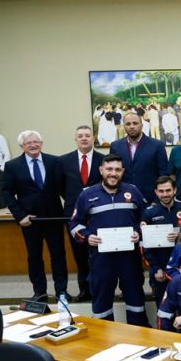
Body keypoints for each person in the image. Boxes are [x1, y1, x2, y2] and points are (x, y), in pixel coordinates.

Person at [68, 154, 149, 326]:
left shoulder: (133, 191)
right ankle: (104, 339)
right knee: (102, 301)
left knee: (135, 299)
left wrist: (138, 233)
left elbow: (145, 219)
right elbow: (74, 223)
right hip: (101, 258)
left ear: (122, 172)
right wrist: (87, 237)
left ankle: (140, 338)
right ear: (101, 170)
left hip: (129, 257)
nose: (113, 173)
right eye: (109, 169)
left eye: (117, 170)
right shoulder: (87, 195)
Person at [1, 130, 68, 300]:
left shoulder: (55, 161)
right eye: (28, 143)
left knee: (58, 255)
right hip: (30, 220)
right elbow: (7, 193)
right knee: (34, 256)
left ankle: (61, 291)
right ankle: (40, 292)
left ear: (41, 143)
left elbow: (63, 188)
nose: (33, 145)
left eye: (36, 141)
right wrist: (19, 216)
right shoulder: (13, 166)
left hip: (54, 218)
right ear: (22, 146)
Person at [57, 125, 104, 302]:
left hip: (98, 213)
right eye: (80, 136)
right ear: (75, 139)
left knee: (97, 253)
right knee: (79, 253)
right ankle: (84, 289)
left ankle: (98, 288)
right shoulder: (63, 161)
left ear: (93, 138)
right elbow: (61, 187)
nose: (84, 138)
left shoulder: (103, 159)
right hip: (73, 215)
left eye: (87, 135)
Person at [140, 176, 181, 304]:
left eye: (168, 190)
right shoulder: (149, 214)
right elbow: (144, 246)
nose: (165, 194)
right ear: (156, 192)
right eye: (161, 191)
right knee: (163, 309)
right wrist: (155, 268)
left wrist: (180, 235)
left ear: (175, 190)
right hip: (161, 271)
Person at [109, 111, 169, 202]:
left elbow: (164, 175)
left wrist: (157, 201)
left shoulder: (157, 145)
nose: (132, 126)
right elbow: (112, 174)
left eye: (135, 123)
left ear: (142, 125)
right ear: (124, 126)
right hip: (122, 198)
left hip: (150, 199)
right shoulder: (115, 146)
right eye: (128, 124)